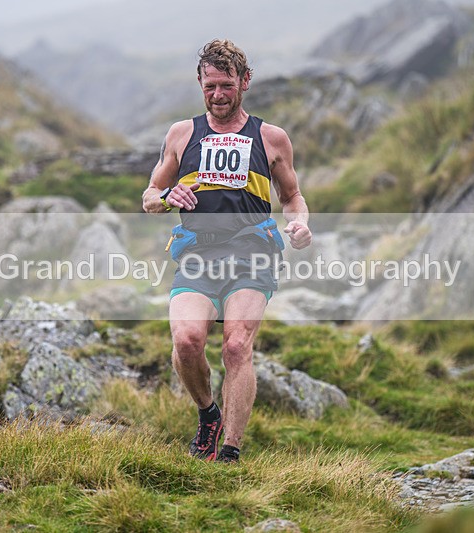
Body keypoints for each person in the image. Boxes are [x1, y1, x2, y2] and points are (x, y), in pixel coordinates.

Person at [142, 39, 312, 463]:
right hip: (197, 255)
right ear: (200, 84)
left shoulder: (271, 138)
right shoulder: (182, 134)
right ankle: (208, 415)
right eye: (210, 86)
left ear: (245, 81)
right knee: (186, 341)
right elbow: (149, 196)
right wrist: (167, 198)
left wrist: (299, 223)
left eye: (227, 86)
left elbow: (292, 197)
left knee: (236, 347)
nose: (218, 95)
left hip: (253, 253)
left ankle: (230, 451)